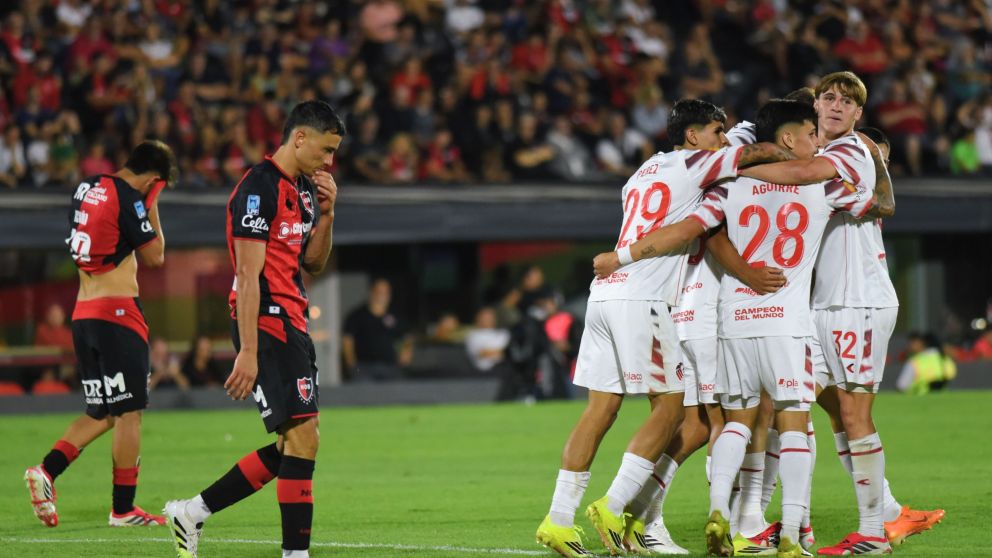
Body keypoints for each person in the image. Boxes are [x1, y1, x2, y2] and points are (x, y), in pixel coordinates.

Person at [535, 98, 796, 558]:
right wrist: (789, 148)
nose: (722, 140)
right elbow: (761, 154)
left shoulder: (642, 172)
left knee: (601, 411)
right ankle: (615, 505)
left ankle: (558, 519)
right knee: (673, 410)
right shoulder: (697, 164)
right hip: (644, 297)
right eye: (716, 131)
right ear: (693, 136)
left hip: (605, 297)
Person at [736, 71, 943, 554]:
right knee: (792, 406)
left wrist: (735, 171)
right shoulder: (814, 149)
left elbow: (802, 177)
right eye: (828, 97)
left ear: (857, 114)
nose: (835, 106)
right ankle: (801, 523)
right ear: (814, 106)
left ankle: (873, 532)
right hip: (818, 305)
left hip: (858, 302)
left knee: (852, 413)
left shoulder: (851, 151)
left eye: (846, 102)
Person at [164, 100, 344, 558]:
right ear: (299, 138)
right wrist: (247, 350)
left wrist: (327, 216)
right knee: (305, 437)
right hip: (265, 320)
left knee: (292, 444)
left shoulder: (305, 191)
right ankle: (295, 554)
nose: (329, 162)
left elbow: (313, 263)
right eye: (325, 150)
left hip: (293, 320)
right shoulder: (257, 189)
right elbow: (247, 276)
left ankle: (192, 512)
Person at [23, 140, 175, 528]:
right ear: (154, 180)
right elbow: (156, 256)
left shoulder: (87, 187)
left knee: (103, 411)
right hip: (118, 313)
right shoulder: (130, 198)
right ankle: (123, 509)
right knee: (129, 413)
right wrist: (152, 204)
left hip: (84, 313)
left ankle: (46, 470)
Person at [342, 278, 414, 381]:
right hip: (364, 368)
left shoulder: (397, 316)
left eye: (386, 292)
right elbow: (347, 341)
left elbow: (408, 337)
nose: (382, 295)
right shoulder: (356, 316)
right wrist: (352, 365)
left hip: (391, 368)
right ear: (371, 292)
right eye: (379, 291)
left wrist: (406, 353)